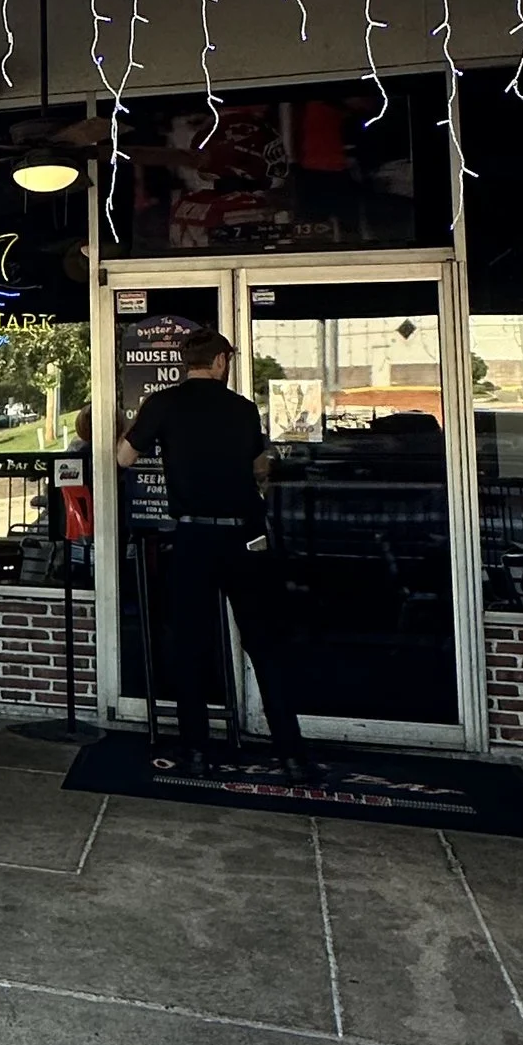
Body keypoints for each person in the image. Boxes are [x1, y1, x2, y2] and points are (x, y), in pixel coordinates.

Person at [115, 325, 309, 771]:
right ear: (221, 362)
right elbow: (260, 467)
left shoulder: (163, 403)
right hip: (243, 535)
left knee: (189, 644)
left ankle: (197, 750)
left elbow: (124, 458)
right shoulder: (242, 409)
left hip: (192, 535)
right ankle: (291, 753)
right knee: (263, 643)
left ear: (189, 362)